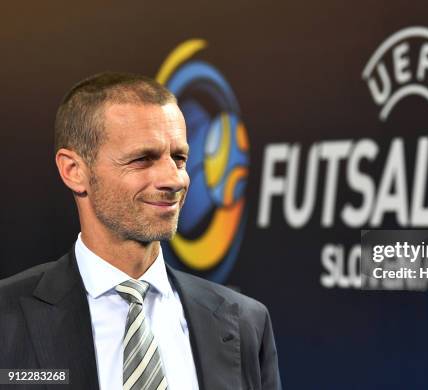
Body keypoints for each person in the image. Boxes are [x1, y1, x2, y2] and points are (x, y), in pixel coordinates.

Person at [0, 72, 281, 390]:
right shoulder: (6, 318)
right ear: (74, 171)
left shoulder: (246, 322)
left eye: (179, 158)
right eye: (142, 159)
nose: (174, 180)